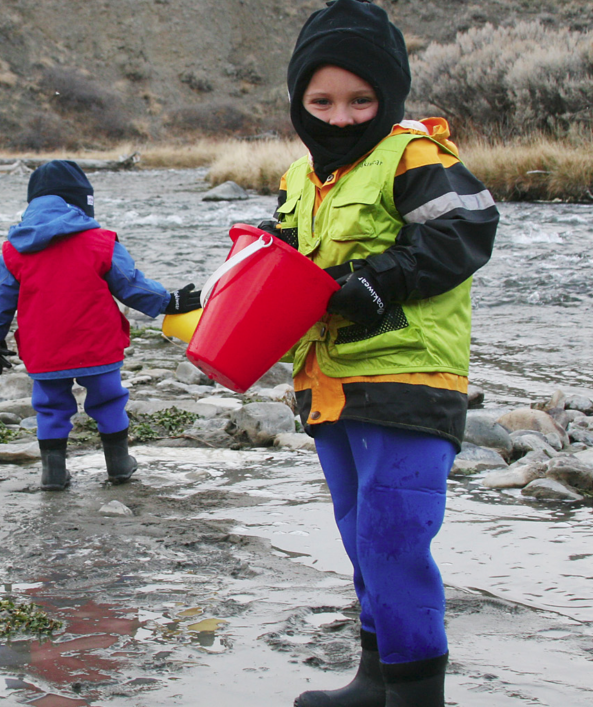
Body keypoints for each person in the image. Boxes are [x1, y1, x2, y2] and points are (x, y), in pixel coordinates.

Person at [259, 1, 499, 705]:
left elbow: (468, 229)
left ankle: (419, 695)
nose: (340, 117)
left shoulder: (414, 155)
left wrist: (379, 280)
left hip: (409, 380)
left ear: (388, 96)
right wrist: (220, 287)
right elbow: (283, 261)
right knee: (362, 539)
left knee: (396, 542)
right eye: (322, 100)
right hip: (328, 386)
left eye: (361, 99)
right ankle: (375, 679)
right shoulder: (301, 178)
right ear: (301, 100)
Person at [0, 160, 201, 491]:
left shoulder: (14, 251)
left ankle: (53, 475)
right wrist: (168, 302)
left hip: (45, 347)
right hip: (98, 342)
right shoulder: (100, 242)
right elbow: (130, 284)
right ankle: (119, 465)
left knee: (50, 407)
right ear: (81, 202)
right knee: (108, 399)